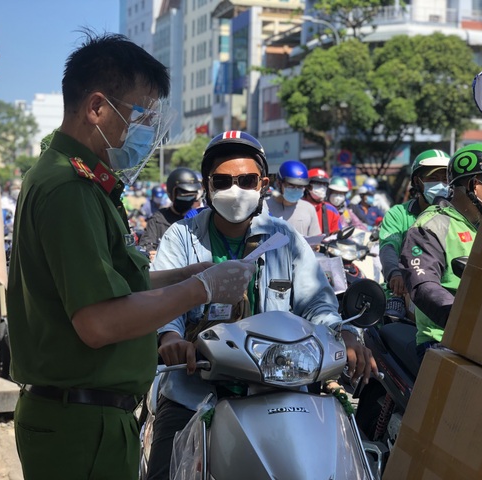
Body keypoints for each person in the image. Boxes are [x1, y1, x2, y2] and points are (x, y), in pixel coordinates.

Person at [6, 33, 256, 480]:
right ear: (96, 108)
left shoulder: (74, 178)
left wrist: (196, 273)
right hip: (82, 426)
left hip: (89, 420)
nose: (146, 132)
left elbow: (117, 283)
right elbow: (99, 321)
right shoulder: (70, 189)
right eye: (141, 115)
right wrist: (201, 288)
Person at [146, 130, 377, 479]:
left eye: (246, 180)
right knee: (166, 469)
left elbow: (317, 302)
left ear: (264, 184)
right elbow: (165, 301)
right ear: (207, 187)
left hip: (284, 385)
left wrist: (342, 332)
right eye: (222, 181)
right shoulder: (182, 235)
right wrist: (169, 339)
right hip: (196, 387)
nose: (234, 189)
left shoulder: (286, 238)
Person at [400, 143, 482, 363]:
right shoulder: (432, 225)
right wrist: (463, 317)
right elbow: (423, 285)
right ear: (474, 184)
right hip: (445, 340)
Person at [379, 149, 450, 318]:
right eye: (433, 179)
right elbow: (389, 246)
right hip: (408, 289)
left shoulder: (459, 215)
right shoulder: (399, 213)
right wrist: (395, 273)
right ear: (417, 181)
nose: (441, 184)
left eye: (445, 179)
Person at [139, 167, 203, 261]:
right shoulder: (158, 219)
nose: (187, 198)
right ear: (171, 194)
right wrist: (151, 253)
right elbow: (146, 244)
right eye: (183, 194)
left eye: (191, 195)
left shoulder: (199, 219)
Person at [264, 160, 321, 237]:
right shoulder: (264, 207)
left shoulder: (309, 208)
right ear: (278, 183)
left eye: (300, 186)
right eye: (291, 185)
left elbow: (315, 239)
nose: (296, 189)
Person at [303, 168, 341, 235]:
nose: (322, 188)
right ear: (307, 186)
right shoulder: (296, 208)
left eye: (324, 184)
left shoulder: (332, 211)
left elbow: (337, 236)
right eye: (317, 183)